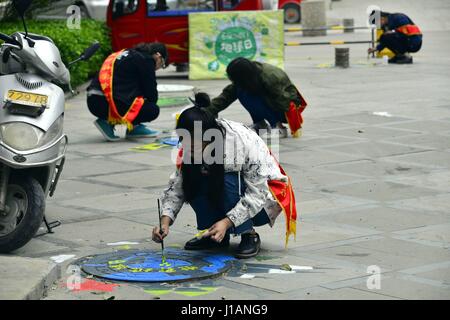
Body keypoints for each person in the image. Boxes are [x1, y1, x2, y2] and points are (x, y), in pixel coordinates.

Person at [152, 93, 298, 259]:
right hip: (237, 191)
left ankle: (248, 234)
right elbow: (178, 185)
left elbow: (257, 192)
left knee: (227, 179)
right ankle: (213, 234)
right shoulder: (191, 145)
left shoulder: (239, 142)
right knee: (193, 177)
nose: (187, 148)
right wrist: (165, 221)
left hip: (267, 196)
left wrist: (227, 222)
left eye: (193, 143)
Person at [204, 57, 307, 138]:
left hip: (286, 109)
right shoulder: (248, 76)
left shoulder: (270, 76)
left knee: (251, 95)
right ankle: (260, 124)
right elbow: (226, 97)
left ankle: (278, 127)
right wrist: (205, 110)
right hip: (274, 103)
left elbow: (285, 101)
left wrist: (292, 123)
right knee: (241, 91)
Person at [86, 42, 168, 141]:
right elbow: (151, 94)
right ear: (158, 56)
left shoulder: (125, 53)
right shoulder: (147, 60)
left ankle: (131, 126)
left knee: (137, 96)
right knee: (152, 109)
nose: (157, 68)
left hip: (93, 99)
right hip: (103, 103)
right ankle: (111, 123)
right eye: (162, 64)